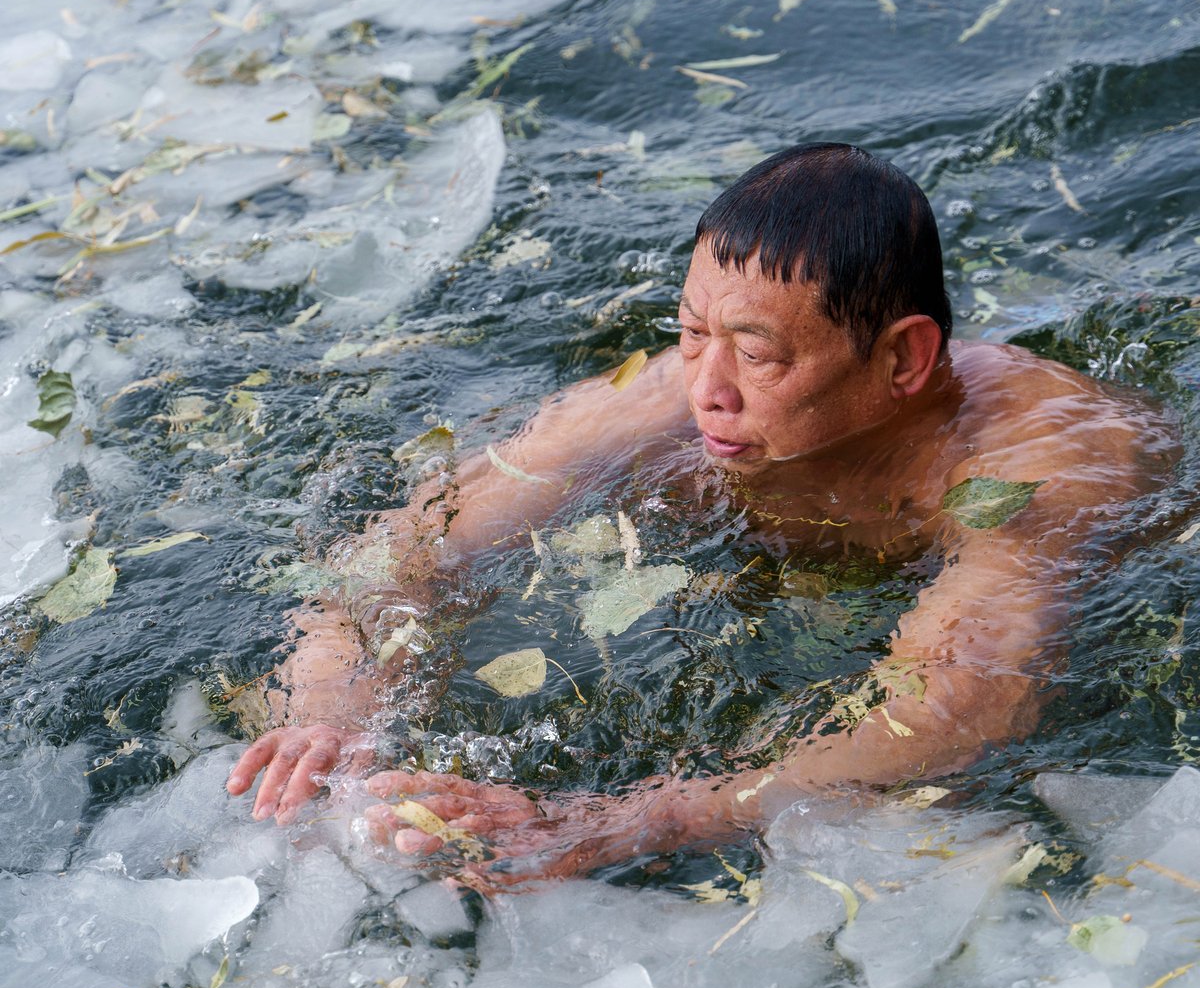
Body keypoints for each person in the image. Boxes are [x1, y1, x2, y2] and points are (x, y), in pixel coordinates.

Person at [226, 142, 1175, 885]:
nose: (704, 389)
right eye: (689, 332)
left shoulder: (1041, 465)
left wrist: (628, 821)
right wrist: (331, 710)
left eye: (757, 354)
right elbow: (404, 544)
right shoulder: (675, 391)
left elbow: (949, 715)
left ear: (903, 359)